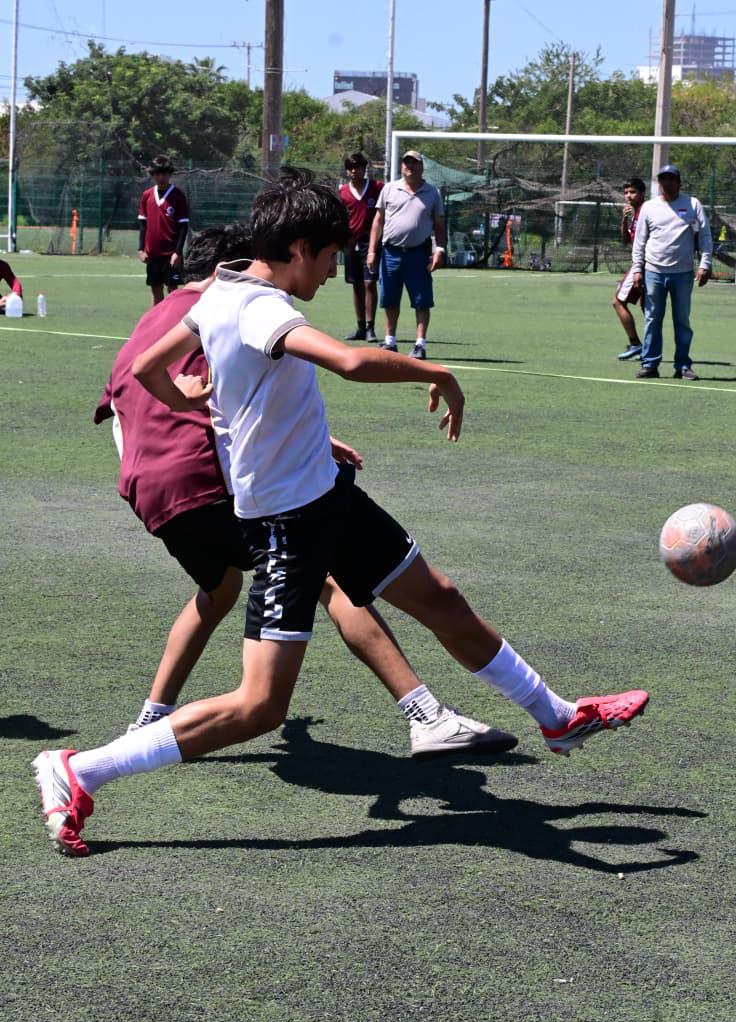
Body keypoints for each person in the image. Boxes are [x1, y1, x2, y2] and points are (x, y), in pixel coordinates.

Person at [33, 170, 648, 857]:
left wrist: (196, 404)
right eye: (330, 257)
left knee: (440, 597)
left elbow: (149, 367)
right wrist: (436, 374)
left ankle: (557, 717)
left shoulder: (222, 289)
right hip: (286, 525)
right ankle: (80, 769)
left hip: (328, 498)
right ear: (299, 247)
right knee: (259, 707)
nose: (333, 272)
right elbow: (350, 363)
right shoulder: (262, 307)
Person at [96, 222, 515, 758]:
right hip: (214, 478)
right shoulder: (233, 306)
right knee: (333, 581)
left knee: (219, 590)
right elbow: (249, 393)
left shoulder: (155, 318)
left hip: (149, 489)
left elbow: (127, 393)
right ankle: (426, 715)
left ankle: (150, 718)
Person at [631, 165, 713, 381]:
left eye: (671, 179)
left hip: (683, 274)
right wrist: (637, 269)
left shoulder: (692, 204)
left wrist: (705, 264)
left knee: (682, 321)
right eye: (663, 179)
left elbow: (704, 236)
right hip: (653, 272)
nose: (666, 183)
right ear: (658, 182)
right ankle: (649, 364)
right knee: (652, 319)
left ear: (679, 182)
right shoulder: (649, 207)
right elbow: (639, 242)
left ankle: (683, 366)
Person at [367, 150, 446, 360]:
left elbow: (439, 224)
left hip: (419, 254)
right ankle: (390, 341)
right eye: (406, 163)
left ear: (421, 166)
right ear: (401, 166)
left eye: (414, 163)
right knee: (390, 299)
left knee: (421, 300)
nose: (409, 166)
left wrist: (440, 249)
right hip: (391, 252)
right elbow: (378, 220)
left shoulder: (432, 193)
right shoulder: (390, 189)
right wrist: (372, 251)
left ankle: (420, 344)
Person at [339, 153, 384, 344]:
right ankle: (360, 327)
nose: (354, 171)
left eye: (358, 167)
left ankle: (370, 328)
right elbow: (340, 218)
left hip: (371, 243)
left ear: (365, 168)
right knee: (356, 285)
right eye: (350, 167)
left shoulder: (377, 188)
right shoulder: (342, 192)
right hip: (351, 244)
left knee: (369, 283)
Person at [138, 155, 190, 307]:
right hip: (153, 254)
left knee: (173, 291)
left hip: (171, 255)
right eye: (157, 173)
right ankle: (157, 327)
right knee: (156, 291)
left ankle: (172, 324)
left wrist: (178, 252)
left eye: (164, 173)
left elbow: (183, 226)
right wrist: (141, 249)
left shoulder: (178, 196)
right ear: (152, 174)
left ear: (170, 174)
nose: (161, 177)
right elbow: (143, 224)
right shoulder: (147, 195)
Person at [613, 177, 647, 361]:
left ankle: (636, 344)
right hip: (643, 264)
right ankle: (647, 347)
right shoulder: (634, 213)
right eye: (626, 192)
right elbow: (627, 240)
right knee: (646, 307)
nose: (628, 196)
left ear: (642, 193)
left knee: (617, 302)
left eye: (632, 192)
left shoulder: (645, 212)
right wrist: (624, 220)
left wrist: (638, 269)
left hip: (642, 265)